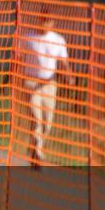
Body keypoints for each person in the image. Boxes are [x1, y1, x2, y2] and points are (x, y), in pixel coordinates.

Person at [17, 15, 73, 169]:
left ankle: (35, 148)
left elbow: (64, 61)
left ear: (53, 23)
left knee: (47, 122)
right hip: (31, 82)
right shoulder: (28, 37)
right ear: (39, 21)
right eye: (43, 20)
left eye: (49, 21)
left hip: (49, 84)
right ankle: (38, 155)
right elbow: (18, 58)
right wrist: (8, 78)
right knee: (36, 120)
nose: (46, 24)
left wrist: (69, 75)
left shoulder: (58, 40)